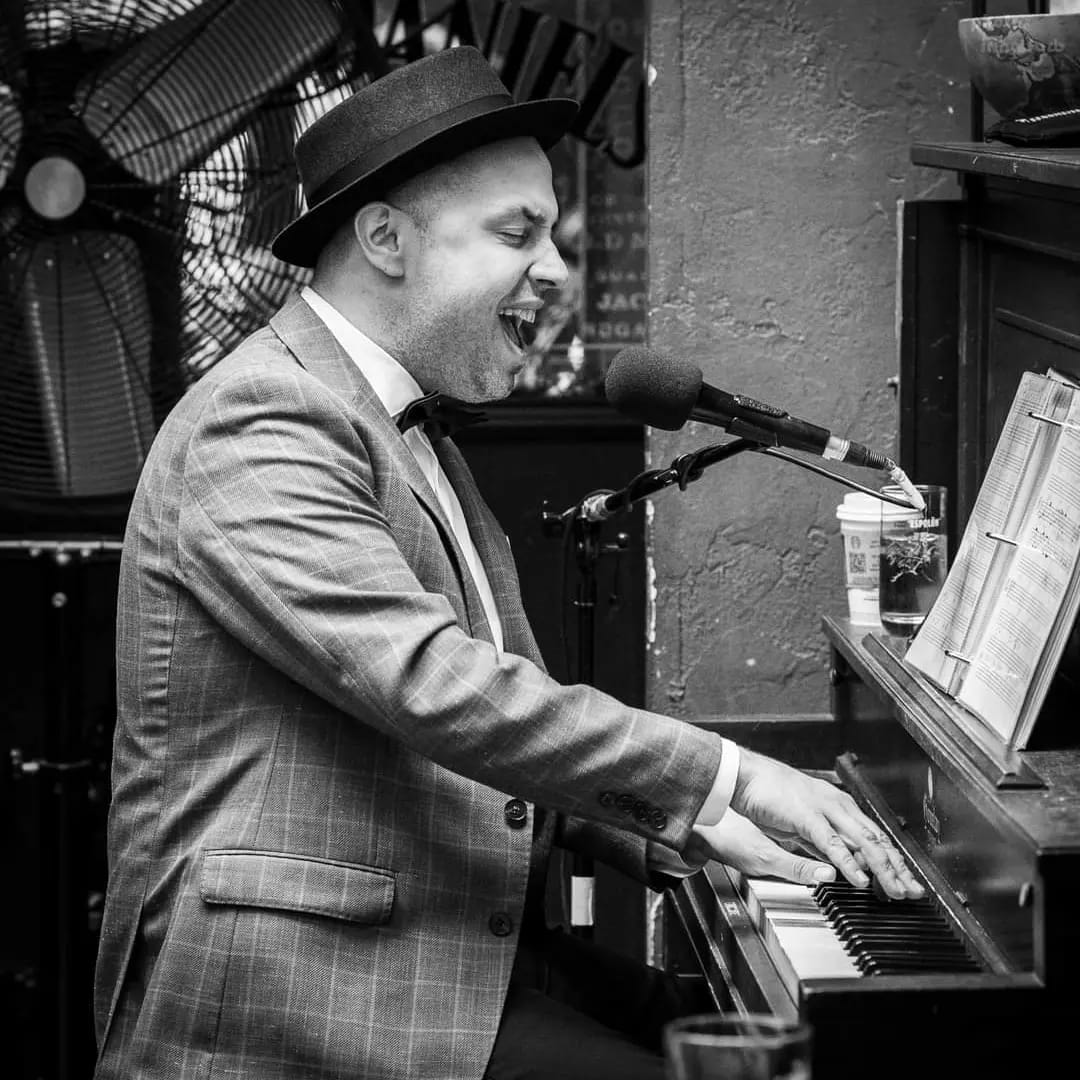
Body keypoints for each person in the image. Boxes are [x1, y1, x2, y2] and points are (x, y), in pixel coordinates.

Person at [92, 46, 923, 1080]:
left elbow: (485, 726)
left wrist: (695, 830)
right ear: (386, 239)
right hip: (300, 991)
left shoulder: (411, 431)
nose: (556, 270)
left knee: (787, 1050)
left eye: (555, 236)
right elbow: (442, 693)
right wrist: (731, 775)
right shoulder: (262, 422)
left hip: (443, 952)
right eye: (517, 234)